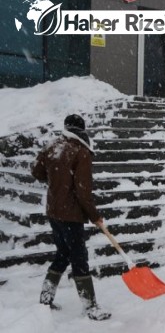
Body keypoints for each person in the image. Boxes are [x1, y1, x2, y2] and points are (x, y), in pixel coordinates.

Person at [31, 114, 111, 321]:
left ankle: (45, 299)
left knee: (63, 254)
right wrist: (95, 216)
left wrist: (57, 182)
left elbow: (36, 171)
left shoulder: (52, 146)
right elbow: (83, 191)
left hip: (54, 212)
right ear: (82, 130)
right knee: (79, 258)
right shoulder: (80, 151)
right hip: (72, 214)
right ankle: (90, 306)